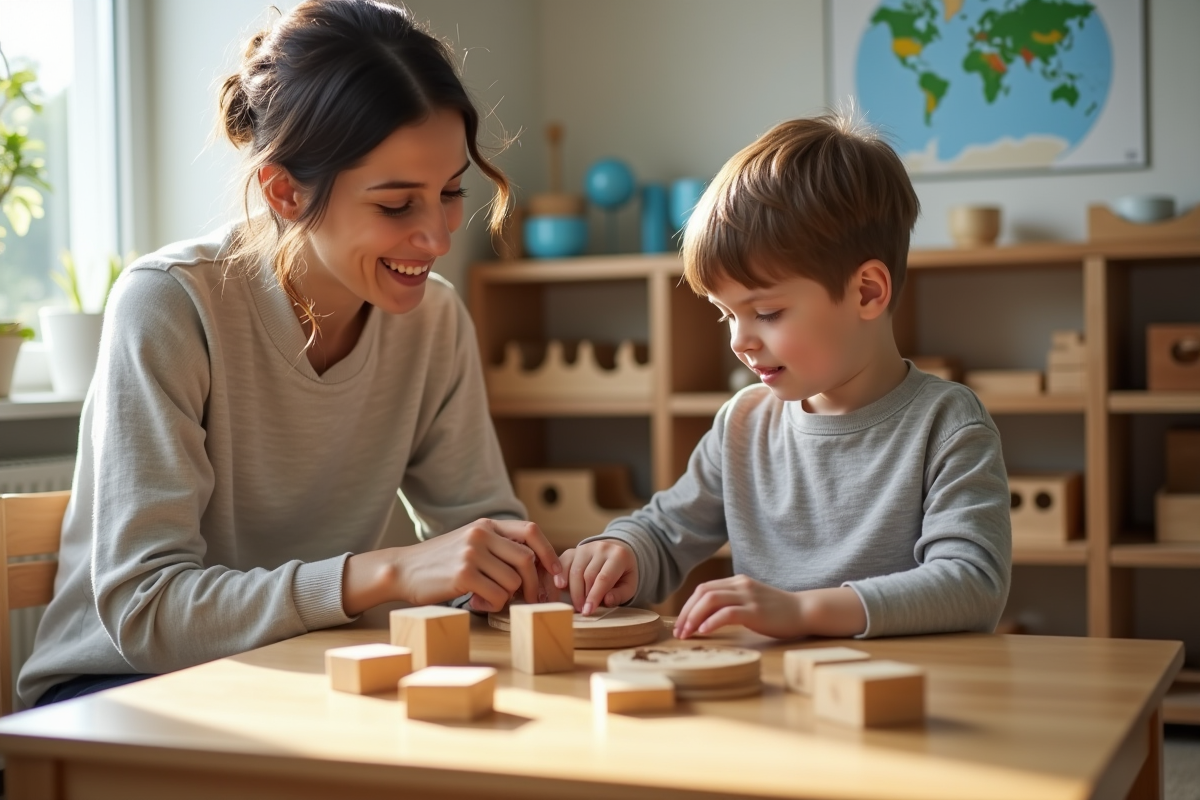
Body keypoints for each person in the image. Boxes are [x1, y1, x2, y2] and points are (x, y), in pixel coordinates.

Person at [19, 0, 560, 709]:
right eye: (397, 206)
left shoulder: (435, 320)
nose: (436, 236)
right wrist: (386, 574)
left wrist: (523, 571)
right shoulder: (171, 303)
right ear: (285, 189)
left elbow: (477, 533)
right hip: (120, 690)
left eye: (452, 192)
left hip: (308, 672)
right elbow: (144, 610)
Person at [554, 114, 1011, 641]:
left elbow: (972, 583)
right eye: (726, 314)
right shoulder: (743, 422)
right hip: (775, 702)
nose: (739, 341)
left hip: (899, 700)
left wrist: (802, 612)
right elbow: (664, 531)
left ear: (866, 292)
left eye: (766, 313)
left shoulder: (947, 424)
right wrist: (622, 551)